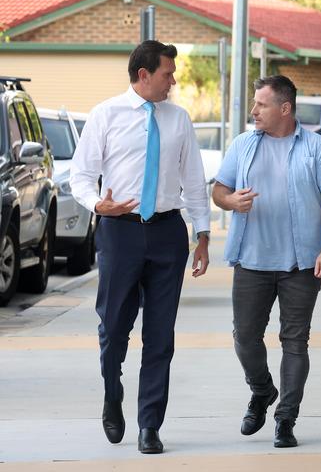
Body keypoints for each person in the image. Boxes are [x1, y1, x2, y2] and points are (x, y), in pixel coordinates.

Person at [70, 40, 210, 454]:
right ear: (144, 74)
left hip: (168, 233)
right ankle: (113, 392)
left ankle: (150, 424)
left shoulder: (179, 119)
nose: (173, 82)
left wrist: (202, 236)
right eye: (167, 74)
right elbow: (80, 175)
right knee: (113, 328)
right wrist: (98, 204)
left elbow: (195, 182)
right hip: (120, 230)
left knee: (160, 336)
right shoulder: (105, 115)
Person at [212, 75, 321, 448]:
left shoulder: (318, 148)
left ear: (284, 109)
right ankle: (262, 390)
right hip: (251, 261)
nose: (254, 110)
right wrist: (230, 201)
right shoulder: (242, 145)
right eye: (255, 103)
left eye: (261, 104)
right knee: (245, 337)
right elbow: (219, 190)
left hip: (301, 264)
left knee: (295, 341)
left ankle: (286, 418)